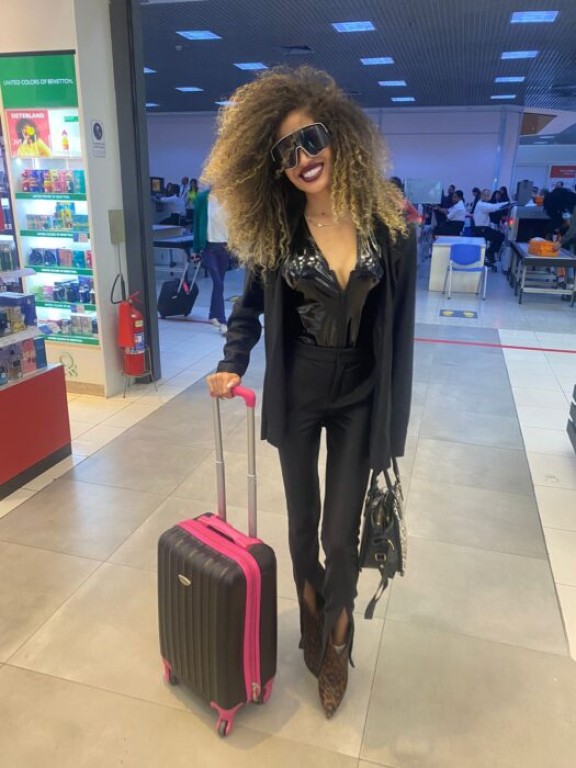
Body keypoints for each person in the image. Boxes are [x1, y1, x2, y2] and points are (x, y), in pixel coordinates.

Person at [204, 66, 416, 718]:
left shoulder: (387, 226)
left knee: (340, 534)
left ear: (339, 136)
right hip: (298, 393)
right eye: (286, 151)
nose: (302, 158)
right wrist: (232, 363)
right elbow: (247, 311)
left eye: (312, 139)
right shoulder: (278, 231)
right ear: (273, 166)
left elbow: (400, 327)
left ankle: (339, 637)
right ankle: (310, 607)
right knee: (302, 525)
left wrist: (393, 418)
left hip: (361, 393)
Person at [193, 187, 230, 334]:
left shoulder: (230, 198)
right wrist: (196, 248)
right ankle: (223, 321)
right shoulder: (203, 198)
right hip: (208, 248)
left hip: (225, 248)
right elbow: (196, 224)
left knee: (219, 283)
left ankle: (212, 315)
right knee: (218, 283)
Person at [471, 189, 510, 265]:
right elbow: (494, 207)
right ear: (481, 195)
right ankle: (490, 252)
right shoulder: (482, 205)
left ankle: (489, 254)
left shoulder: (482, 204)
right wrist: (507, 203)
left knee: (497, 237)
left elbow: (493, 207)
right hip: (481, 229)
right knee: (501, 236)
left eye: (488, 195)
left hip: (482, 229)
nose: (486, 197)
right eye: (484, 195)